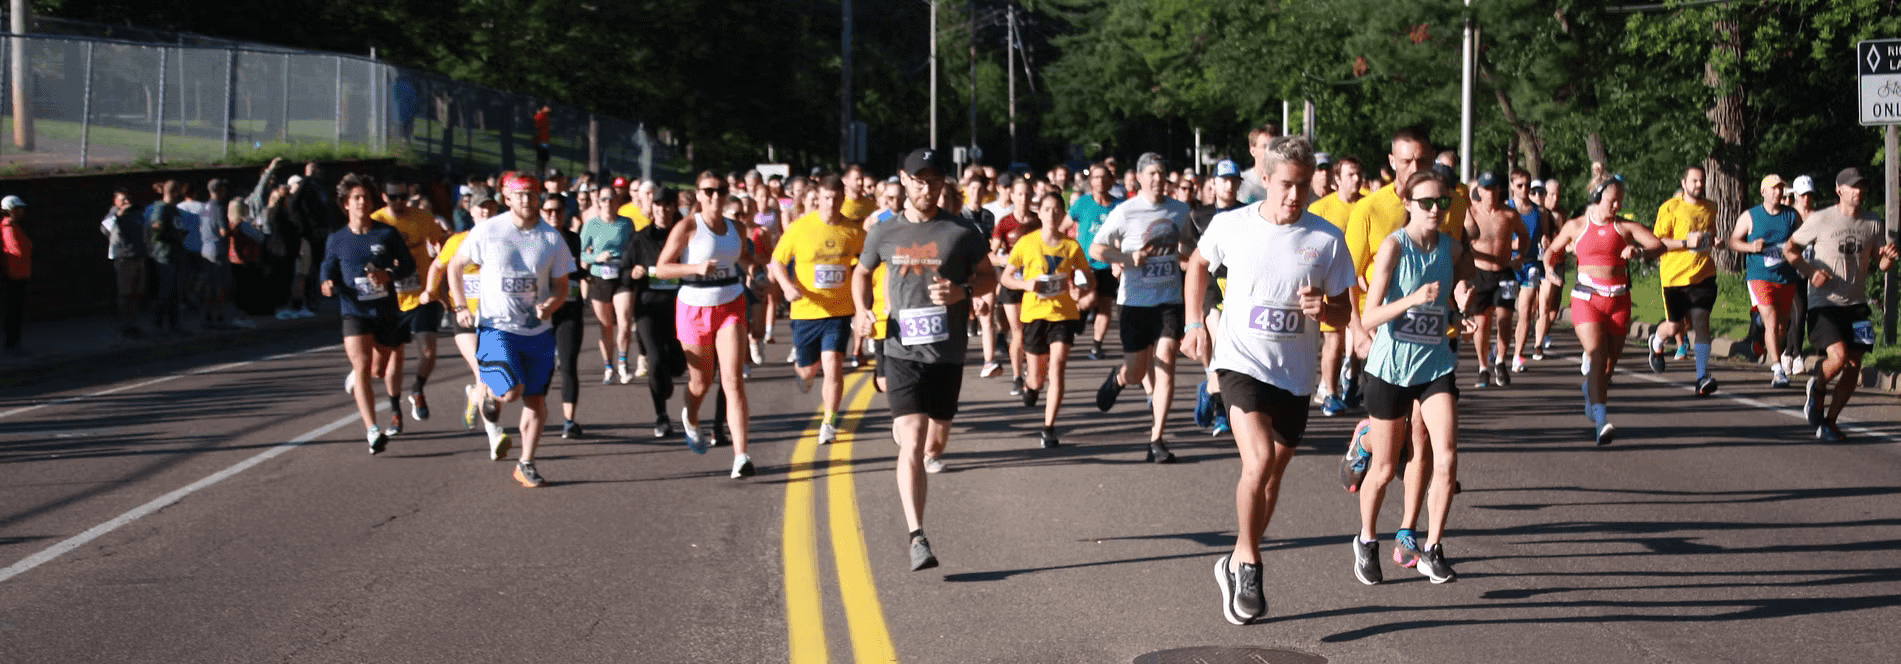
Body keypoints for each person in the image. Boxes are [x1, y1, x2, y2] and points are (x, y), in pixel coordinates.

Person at [1183, 135, 1352, 625]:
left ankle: (1236, 556)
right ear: (1265, 180)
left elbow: (1343, 311)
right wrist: (1196, 324)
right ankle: (1252, 566)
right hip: (1241, 361)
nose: (1294, 196)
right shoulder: (1231, 225)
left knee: (1273, 475)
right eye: (1285, 185)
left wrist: (1328, 308)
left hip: (1295, 374)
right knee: (1256, 462)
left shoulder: (1325, 239)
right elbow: (1197, 265)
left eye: (1303, 186)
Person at [852, 147, 995, 571]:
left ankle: (917, 445)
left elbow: (990, 278)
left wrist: (961, 292)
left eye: (933, 182)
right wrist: (862, 311)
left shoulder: (961, 231)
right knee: (913, 436)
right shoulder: (884, 231)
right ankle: (918, 536)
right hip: (900, 349)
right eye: (918, 181)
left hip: (947, 351)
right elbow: (861, 272)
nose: (926, 189)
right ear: (903, 180)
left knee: (935, 438)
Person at [1351, 170, 1472, 586]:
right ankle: (1367, 539)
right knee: (1385, 468)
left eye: (1442, 202)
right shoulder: (1393, 248)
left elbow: (1466, 271)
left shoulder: (1450, 248)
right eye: (1426, 203)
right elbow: (1369, 317)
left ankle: (1431, 547)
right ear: (1407, 203)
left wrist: (1462, 302)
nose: (1435, 209)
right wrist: (1413, 300)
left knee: (1445, 454)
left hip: (1434, 366)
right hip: (1390, 368)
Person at [448, 174, 577, 487]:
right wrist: (462, 307)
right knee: (511, 392)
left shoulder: (551, 238)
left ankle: (526, 463)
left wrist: (551, 304)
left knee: (536, 403)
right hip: (496, 328)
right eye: (519, 195)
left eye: (531, 195)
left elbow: (563, 287)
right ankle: (488, 393)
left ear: (539, 198)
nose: (525, 201)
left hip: (537, 332)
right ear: (507, 198)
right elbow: (455, 266)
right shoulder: (490, 230)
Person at [1543, 175, 1663, 445]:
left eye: (1620, 200)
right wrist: (1550, 272)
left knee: (1609, 365)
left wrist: (1639, 253)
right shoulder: (1577, 226)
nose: (1617, 205)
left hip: (1618, 299)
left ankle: (1591, 390)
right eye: (1611, 200)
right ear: (1597, 199)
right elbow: (1551, 250)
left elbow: (1659, 245)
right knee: (1597, 355)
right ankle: (1601, 421)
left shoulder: (1624, 228)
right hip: (1587, 298)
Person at [656, 172, 759, 478]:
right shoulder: (688, 226)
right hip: (694, 307)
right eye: (709, 191)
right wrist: (695, 268)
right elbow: (662, 269)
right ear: (699, 194)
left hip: (731, 304)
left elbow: (743, 258)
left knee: (733, 380)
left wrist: (760, 274)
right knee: (700, 382)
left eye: (721, 190)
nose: (716, 196)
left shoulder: (736, 227)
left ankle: (741, 456)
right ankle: (691, 415)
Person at [1091, 152, 1192, 463]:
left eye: (1162, 174)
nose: (1158, 180)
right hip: (1135, 301)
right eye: (1151, 174)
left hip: (1169, 300)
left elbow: (1187, 245)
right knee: (1137, 371)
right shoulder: (1126, 211)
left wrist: (1191, 258)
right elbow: (1097, 248)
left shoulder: (1180, 210)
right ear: (1139, 178)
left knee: (1166, 360)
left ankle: (1156, 439)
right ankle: (1120, 379)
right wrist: (1125, 259)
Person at [1784, 168, 1899, 441]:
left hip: (1856, 304)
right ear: (1840, 190)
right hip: (1824, 303)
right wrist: (1811, 272)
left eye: (1862, 187)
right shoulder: (1821, 219)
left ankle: (1830, 423)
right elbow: (1790, 249)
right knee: (1838, 358)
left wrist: (1890, 258)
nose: (1858, 191)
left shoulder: (1873, 222)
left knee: (1854, 366)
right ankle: (1817, 384)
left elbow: (1880, 262)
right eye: (1853, 187)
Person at [319, 174, 416, 455]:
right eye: (356, 198)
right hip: (353, 309)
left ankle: (358, 376)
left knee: (377, 370)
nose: (362, 202)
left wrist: (389, 274)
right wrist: (326, 283)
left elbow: (408, 265)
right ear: (346, 204)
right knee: (362, 364)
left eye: (366, 198)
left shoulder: (386, 234)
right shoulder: (337, 239)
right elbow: (327, 267)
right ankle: (373, 430)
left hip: (384, 310)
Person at [769, 174, 865, 444]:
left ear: (842, 199)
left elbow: (869, 261)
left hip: (838, 310)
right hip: (805, 311)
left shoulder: (854, 231)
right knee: (808, 370)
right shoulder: (801, 227)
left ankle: (829, 421)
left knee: (833, 365)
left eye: (836, 199)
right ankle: (804, 373)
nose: (831, 204)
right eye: (826, 198)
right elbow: (777, 260)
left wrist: (863, 298)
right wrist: (787, 287)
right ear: (818, 198)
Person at [1002, 191, 1093, 448]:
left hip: (1063, 315)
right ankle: (1031, 387)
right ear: (1039, 213)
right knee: (1038, 378)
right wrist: (1026, 283)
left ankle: (1049, 427)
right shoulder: (1026, 243)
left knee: (1058, 366)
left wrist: (1079, 288)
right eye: (1047, 210)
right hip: (1034, 315)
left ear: (1063, 215)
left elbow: (1087, 277)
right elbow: (1006, 278)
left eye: (1057, 210)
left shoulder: (1071, 246)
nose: (1052, 215)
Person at [372, 179, 449, 430]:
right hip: (391, 298)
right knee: (394, 359)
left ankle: (417, 388)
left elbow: (441, 244)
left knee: (428, 351)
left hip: (422, 295)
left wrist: (440, 269)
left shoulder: (422, 217)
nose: (399, 202)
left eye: (403, 197)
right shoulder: (377, 220)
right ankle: (395, 412)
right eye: (393, 197)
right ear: (385, 197)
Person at [1646, 166, 1722, 395]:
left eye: (1702, 181)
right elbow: (1657, 242)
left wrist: (1715, 241)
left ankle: (1701, 377)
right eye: (1694, 181)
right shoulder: (1670, 208)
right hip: (1675, 278)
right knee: (1676, 326)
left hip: (1703, 274)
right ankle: (1657, 341)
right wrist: (1684, 243)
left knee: (1701, 322)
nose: (1699, 184)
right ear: (1684, 183)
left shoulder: (1711, 207)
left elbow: (1710, 234)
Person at [1184, 159, 1246, 434]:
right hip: (1210, 283)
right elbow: (1185, 255)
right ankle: (1222, 407)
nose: (1229, 185)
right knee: (1219, 334)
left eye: (1234, 181)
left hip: (1240, 284)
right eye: (1224, 180)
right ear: (1214, 183)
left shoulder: (1248, 213)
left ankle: (1210, 387)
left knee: (1234, 345)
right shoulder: (1198, 216)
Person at [1728, 175, 1801, 388]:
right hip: (1759, 275)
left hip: (1786, 275)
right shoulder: (1751, 216)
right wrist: (1751, 247)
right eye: (1773, 189)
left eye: (1780, 189)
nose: (1778, 192)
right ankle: (1778, 369)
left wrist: (1797, 248)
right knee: (1771, 318)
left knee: (1781, 326)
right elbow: (1733, 241)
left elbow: (1804, 237)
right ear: (1763, 192)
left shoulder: (1791, 215)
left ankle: (1760, 334)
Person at [1307, 156, 1365, 414]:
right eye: (1350, 174)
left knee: (1360, 340)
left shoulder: (1368, 204)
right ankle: (1330, 392)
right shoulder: (1321, 208)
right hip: (1332, 282)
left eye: (1359, 174)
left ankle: (1352, 381)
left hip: (1363, 285)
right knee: (1335, 339)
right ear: (1337, 179)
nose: (1357, 179)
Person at [1461, 172, 1530, 388]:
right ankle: (1483, 367)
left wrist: (1520, 256)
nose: (1491, 193)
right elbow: (1460, 241)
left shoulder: (1509, 214)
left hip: (1504, 272)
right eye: (1486, 189)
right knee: (1481, 323)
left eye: (1494, 188)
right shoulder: (1470, 214)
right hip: (1479, 274)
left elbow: (1525, 235)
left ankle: (1500, 360)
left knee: (1505, 319)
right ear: (1479, 191)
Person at [629, 195, 688, 437]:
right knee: (655, 359)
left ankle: (667, 377)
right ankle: (661, 416)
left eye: (667, 204)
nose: (662, 209)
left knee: (676, 365)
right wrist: (632, 272)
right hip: (648, 307)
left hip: (680, 306)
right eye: (658, 205)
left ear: (674, 208)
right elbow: (624, 269)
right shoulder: (640, 238)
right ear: (652, 209)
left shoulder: (686, 234)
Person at [582, 187, 639, 384]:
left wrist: (630, 261)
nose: (608, 203)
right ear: (599, 202)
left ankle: (623, 364)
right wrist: (596, 257)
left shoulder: (626, 223)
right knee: (605, 327)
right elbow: (582, 254)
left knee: (624, 320)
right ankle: (608, 367)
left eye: (611, 199)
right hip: (600, 277)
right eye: (604, 199)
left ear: (617, 202)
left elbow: (635, 247)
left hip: (622, 276)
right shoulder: (591, 225)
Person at [545, 194, 590, 439]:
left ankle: (569, 421)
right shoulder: (536, 238)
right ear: (542, 211)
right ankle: (538, 414)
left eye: (558, 210)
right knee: (544, 366)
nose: (554, 215)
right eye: (549, 210)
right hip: (542, 311)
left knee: (569, 363)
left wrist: (584, 274)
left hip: (570, 307)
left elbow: (573, 269)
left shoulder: (573, 238)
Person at [1069, 163, 1121, 361]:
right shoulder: (1082, 203)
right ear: (1090, 182)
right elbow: (1065, 225)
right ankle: (1079, 317)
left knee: (1105, 305)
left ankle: (1096, 345)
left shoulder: (1119, 206)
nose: (1100, 181)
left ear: (1111, 181)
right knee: (1088, 299)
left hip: (1109, 263)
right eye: (1096, 177)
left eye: (1104, 177)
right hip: (1085, 263)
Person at [991, 176, 1039, 393]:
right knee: (1018, 330)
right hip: (1012, 282)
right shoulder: (1004, 223)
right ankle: (1017, 376)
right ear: (1011, 195)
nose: (1023, 198)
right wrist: (1007, 261)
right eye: (1019, 194)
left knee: (1032, 329)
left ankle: (1033, 369)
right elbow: (991, 255)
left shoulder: (1039, 221)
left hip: (1034, 283)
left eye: (1027, 194)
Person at [1514, 178, 1566, 365]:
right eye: (1533, 192)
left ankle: (1538, 344)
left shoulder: (1554, 215)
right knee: (1528, 307)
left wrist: (1550, 242)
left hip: (1548, 265)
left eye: (1541, 192)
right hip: (1530, 264)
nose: (1538, 196)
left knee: (1544, 306)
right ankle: (1518, 342)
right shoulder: (1522, 212)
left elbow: (1563, 238)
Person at [101, 188, 147, 339]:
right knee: (125, 294)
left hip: (139, 256)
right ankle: (124, 324)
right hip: (124, 259)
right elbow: (105, 229)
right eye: (123, 200)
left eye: (128, 199)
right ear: (116, 202)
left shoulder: (136, 214)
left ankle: (135, 323)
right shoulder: (113, 216)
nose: (127, 202)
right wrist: (118, 215)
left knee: (137, 293)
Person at [1784, 175, 1818, 373]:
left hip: (1812, 269)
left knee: (1800, 312)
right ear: (1795, 195)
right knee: (1799, 310)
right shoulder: (1788, 216)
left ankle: (1787, 354)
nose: (1806, 199)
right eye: (1803, 195)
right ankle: (1797, 355)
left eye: (1809, 194)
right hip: (1791, 269)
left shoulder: (1817, 216)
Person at [0, 197, 29, 355]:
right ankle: (12, 344)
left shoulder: (14, 226)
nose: (22, 211)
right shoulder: (8, 227)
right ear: (11, 210)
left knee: (16, 310)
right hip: (14, 274)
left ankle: (13, 342)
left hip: (20, 272)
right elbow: (16, 250)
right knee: (13, 311)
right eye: (18, 208)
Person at [1235, 124, 1281, 204]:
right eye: (1265, 146)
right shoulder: (1240, 182)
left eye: (1274, 146)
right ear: (1253, 151)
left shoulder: (1285, 182)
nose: (1270, 151)